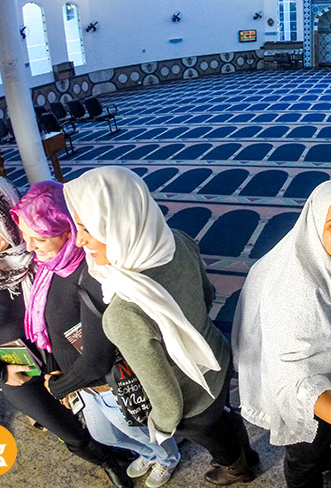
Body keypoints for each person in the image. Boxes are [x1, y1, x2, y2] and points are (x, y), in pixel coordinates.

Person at [63, 166, 257, 486]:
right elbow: (207, 296)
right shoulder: (176, 240)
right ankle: (246, 453)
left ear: (117, 225)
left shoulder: (123, 313)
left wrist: (160, 428)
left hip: (193, 395)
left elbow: (166, 398)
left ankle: (237, 469)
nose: (79, 239)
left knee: (213, 436)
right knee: (225, 419)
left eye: (87, 228)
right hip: (217, 355)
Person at [0, 176, 132, 488]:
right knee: (63, 427)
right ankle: (103, 459)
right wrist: (1, 372)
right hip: (11, 369)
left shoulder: (41, 246)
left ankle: (117, 447)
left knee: (91, 414)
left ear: (12, 217)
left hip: (57, 356)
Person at [11, 181, 181, 488]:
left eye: (38, 238)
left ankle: (167, 457)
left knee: (133, 429)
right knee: (105, 435)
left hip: (106, 384)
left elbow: (97, 356)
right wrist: (58, 375)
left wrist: (62, 386)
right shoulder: (49, 266)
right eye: (25, 237)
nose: (30, 246)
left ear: (68, 230)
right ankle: (149, 453)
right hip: (82, 384)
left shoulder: (89, 273)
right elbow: (51, 329)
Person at [233, 179, 331, 488]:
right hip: (302, 394)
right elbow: (296, 380)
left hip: (329, 375)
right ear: (316, 225)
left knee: (321, 440)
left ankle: (326, 460)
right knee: (304, 456)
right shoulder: (297, 290)